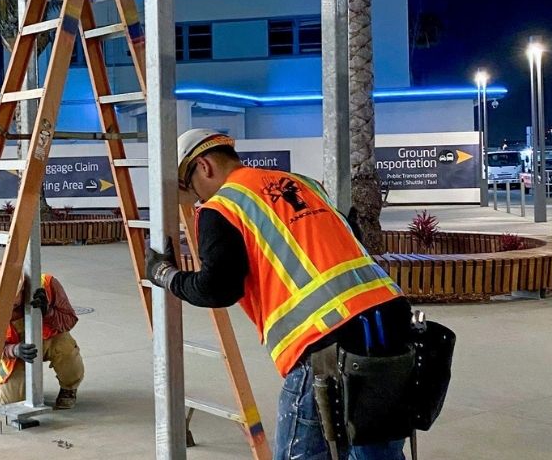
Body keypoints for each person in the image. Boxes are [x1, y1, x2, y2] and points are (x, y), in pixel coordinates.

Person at [145, 129, 411, 460]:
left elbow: (218, 288)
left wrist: (165, 275)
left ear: (204, 167)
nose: (197, 200)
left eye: (191, 190)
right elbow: (348, 234)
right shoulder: (304, 183)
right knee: (376, 452)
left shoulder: (222, 207)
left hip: (325, 344)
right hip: (394, 322)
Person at [0, 263, 84, 410]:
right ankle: (16, 388)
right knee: (12, 402)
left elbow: (69, 321)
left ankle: (68, 388)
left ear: (23, 289)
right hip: (16, 355)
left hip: (47, 341)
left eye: (13, 305)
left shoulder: (48, 285)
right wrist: (14, 350)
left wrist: (48, 312)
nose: (8, 310)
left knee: (65, 347)